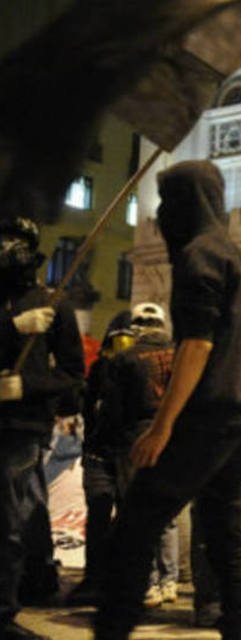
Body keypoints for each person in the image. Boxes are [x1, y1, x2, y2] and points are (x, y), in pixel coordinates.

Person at [93, 160, 241, 639]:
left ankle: (112, 627)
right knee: (223, 521)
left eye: (166, 202)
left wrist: (161, 427)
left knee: (137, 521)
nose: (161, 214)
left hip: (210, 413)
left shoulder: (198, 255)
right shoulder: (231, 254)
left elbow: (197, 345)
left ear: (185, 203)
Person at [0, 216, 84, 640]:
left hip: (21, 426)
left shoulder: (54, 303)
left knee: (11, 521)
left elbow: (72, 372)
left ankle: (5, 609)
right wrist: (11, 327)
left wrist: (26, 386)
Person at [111, 303, 180, 609]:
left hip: (136, 438)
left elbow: (114, 407)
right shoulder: (179, 353)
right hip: (172, 437)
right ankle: (170, 581)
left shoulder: (126, 358)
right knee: (169, 517)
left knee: (138, 513)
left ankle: (148, 584)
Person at [66, 312, 134, 607]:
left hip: (120, 454)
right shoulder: (101, 370)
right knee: (99, 516)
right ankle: (97, 579)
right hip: (102, 453)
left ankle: (113, 581)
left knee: (119, 518)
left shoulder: (134, 369)